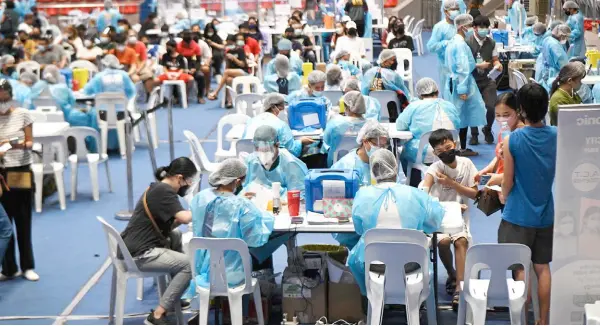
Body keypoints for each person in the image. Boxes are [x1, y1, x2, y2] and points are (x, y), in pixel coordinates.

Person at [347, 148, 445, 295]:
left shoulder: (362, 195)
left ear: (373, 170)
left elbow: (359, 230)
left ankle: (375, 302)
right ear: (395, 167)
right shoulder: (414, 194)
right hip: (412, 265)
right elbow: (434, 222)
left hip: (376, 266)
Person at [500, 83, 556, 325]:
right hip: (546, 213)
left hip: (517, 216)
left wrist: (502, 195)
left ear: (521, 109)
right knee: (542, 268)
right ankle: (543, 320)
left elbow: (508, 181)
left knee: (520, 270)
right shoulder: (557, 136)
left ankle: (522, 320)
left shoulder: (512, 140)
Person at [120, 157, 196, 325]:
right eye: (189, 180)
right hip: (139, 253)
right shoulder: (165, 191)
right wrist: (204, 206)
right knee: (188, 265)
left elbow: (169, 223)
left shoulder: (157, 187)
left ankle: (173, 296)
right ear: (179, 177)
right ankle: (157, 315)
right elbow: (184, 218)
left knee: (175, 235)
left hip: (132, 246)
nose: (189, 185)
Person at [186, 158, 274, 298]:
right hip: (234, 274)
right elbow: (255, 240)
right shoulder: (242, 205)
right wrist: (267, 216)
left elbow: (210, 220)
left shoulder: (201, 198)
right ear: (237, 181)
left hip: (203, 269)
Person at [421, 128, 478, 308]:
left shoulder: (467, 164)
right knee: (443, 242)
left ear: (455, 144)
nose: (446, 152)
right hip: (440, 217)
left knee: (461, 241)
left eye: (448, 147)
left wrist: (451, 184)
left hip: (460, 218)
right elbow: (424, 193)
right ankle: (452, 273)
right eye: (440, 151)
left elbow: (475, 193)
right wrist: (442, 205)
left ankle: (460, 289)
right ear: (435, 153)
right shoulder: (434, 168)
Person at [0, 79, 36, 282]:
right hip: (1, 173)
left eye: (3, 95)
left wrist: (17, 145)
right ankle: (9, 268)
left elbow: (30, 142)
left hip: (20, 170)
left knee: (23, 219)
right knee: (4, 223)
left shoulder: (22, 114)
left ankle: (27, 266)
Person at [396, 78, 460, 186]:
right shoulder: (450, 105)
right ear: (438, 91)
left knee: (405, 154)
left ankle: (414, 185)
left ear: (419, 94)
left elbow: (400, 125)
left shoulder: (414, 106)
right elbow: (457, 124)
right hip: (452, 150)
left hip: (426, 154)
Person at [445, 13, 487, 156]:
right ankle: (458, 149)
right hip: (460, 84)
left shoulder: (453, 42)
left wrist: (477, 65)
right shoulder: (460, 44)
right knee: (460, 117)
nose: (472, 29)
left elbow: (461, 64)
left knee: (460, 116)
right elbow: (462, 69)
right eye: (469, 26)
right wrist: (462, 89)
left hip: (454, 82)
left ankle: (459, 147)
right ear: (462, 27)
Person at [243, 125, 309, 198]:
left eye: (267, 151)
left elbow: (299, 197)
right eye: (259, 150)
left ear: (277, 145)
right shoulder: (251, 161)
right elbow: (242, 191)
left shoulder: (291, 164)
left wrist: (270, 194)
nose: (263, 156)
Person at [476, 92, 525, 187]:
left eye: (506, 115)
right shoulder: (504, 131)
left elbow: (523, 171)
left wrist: (498, 179)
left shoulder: (523, 136)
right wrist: (488, 169)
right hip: (500, 182)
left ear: (518, 112)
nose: (502, 119)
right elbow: (499, 156)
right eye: (498, 115)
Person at [467, 15, 501, 145]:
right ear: (474, 28)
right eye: (481, 27)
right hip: (472, 79)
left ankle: (487, 129)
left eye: (486, 27)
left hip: (487, 79)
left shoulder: (491, 42)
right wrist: (477, 65)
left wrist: (498, 65)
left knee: (491, 106)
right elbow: (463, 63)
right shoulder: (467, 42)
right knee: (473, 107)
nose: (484, 29)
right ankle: (474, 134)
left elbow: (495, 59)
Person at [243, 93, 313, 157]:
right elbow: (291, 151)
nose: (283, 112)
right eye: (281, 109)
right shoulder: (281, 125)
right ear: (273, 107)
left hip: (249, 160)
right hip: (270, 162)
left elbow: (244, 143)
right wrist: (300, 141)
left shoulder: (251, 121)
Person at [362, 49, 411, 122]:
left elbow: (364, 94)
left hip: (372, 113)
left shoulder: (369, 73)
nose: (395, 62)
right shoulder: (394, 76)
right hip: (394, 113)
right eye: (392, 60)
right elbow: (405, 95)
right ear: (384, 62)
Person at [323, 91, 367, 167]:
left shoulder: (335, 123)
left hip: (337, 164)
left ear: (348, 107)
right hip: (360, 164)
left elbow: (327, 140)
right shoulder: (369, 125)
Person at [207, 33, 247, 108]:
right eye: (228, 43)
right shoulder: (228, 52)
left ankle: (216, 92)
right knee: (228, 79)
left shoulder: (240, 50)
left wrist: (234, 59)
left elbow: (243, 65)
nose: (229, 44)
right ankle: (229, 101)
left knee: (226, 72)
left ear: (234, 42)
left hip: (243, 72)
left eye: (230, 43)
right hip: (232, 73)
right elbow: (227, 66)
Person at [429, 0, 458, 99]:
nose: (456, 11)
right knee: (448, 94)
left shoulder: (460, 25)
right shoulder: (440, 27)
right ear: (445, 11)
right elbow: (431, 46)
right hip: (445, 66)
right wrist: (444, 44)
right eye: (453, 9)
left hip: (460, 65)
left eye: (457, 9)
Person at [548, 61, 585, 126]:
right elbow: (570, 122)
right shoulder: (558, 100)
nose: (581, 83)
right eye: (579, 80)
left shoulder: (571, 93)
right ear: (570, 81)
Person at [536, 24, 570, 92]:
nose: (566, 38)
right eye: (565, 36)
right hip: (554, 75)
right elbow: (564, 65)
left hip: (547, 72)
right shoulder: (555, 45)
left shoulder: (547, 39)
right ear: (561, 35)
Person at [177, 30, 207, 104]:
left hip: (192, 66)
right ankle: (177, 97)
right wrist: (183, 69)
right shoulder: (178, 46)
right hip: (181, 67)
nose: (187, 44)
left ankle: (200, 96)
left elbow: (198, 60)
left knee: (200, 76)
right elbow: (177, 60)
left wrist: (194, 69)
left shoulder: (196, 46)